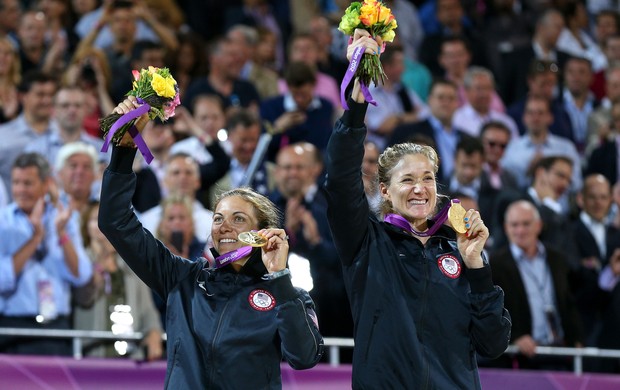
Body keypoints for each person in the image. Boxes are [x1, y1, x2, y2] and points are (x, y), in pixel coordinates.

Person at [323, 30, 511, 388]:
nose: (420, 188)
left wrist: (476, 268)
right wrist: (355, 110)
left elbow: (493, 343)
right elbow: (340, 181)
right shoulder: (366, 243)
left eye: (427, 178)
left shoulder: (458, 251)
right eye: (407, 180)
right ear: (385, 192)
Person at [98, 96, 323, 388]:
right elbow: (114, 222)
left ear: (263, 231)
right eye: (218, 219)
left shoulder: (287, 295)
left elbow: (304, 357)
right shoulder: (183, 279)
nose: (224, 227)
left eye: (239, 219)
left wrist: (280, 277)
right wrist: (124, 151)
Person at [0, 152, 92, 355]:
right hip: (13, 329)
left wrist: (61, 233)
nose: (20, 190)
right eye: (16, 182)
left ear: (45, 185)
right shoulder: (3, 222)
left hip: (56, 329)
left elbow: (81, 275)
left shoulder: (64, 218)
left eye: (28, 183)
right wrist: (35, 239)